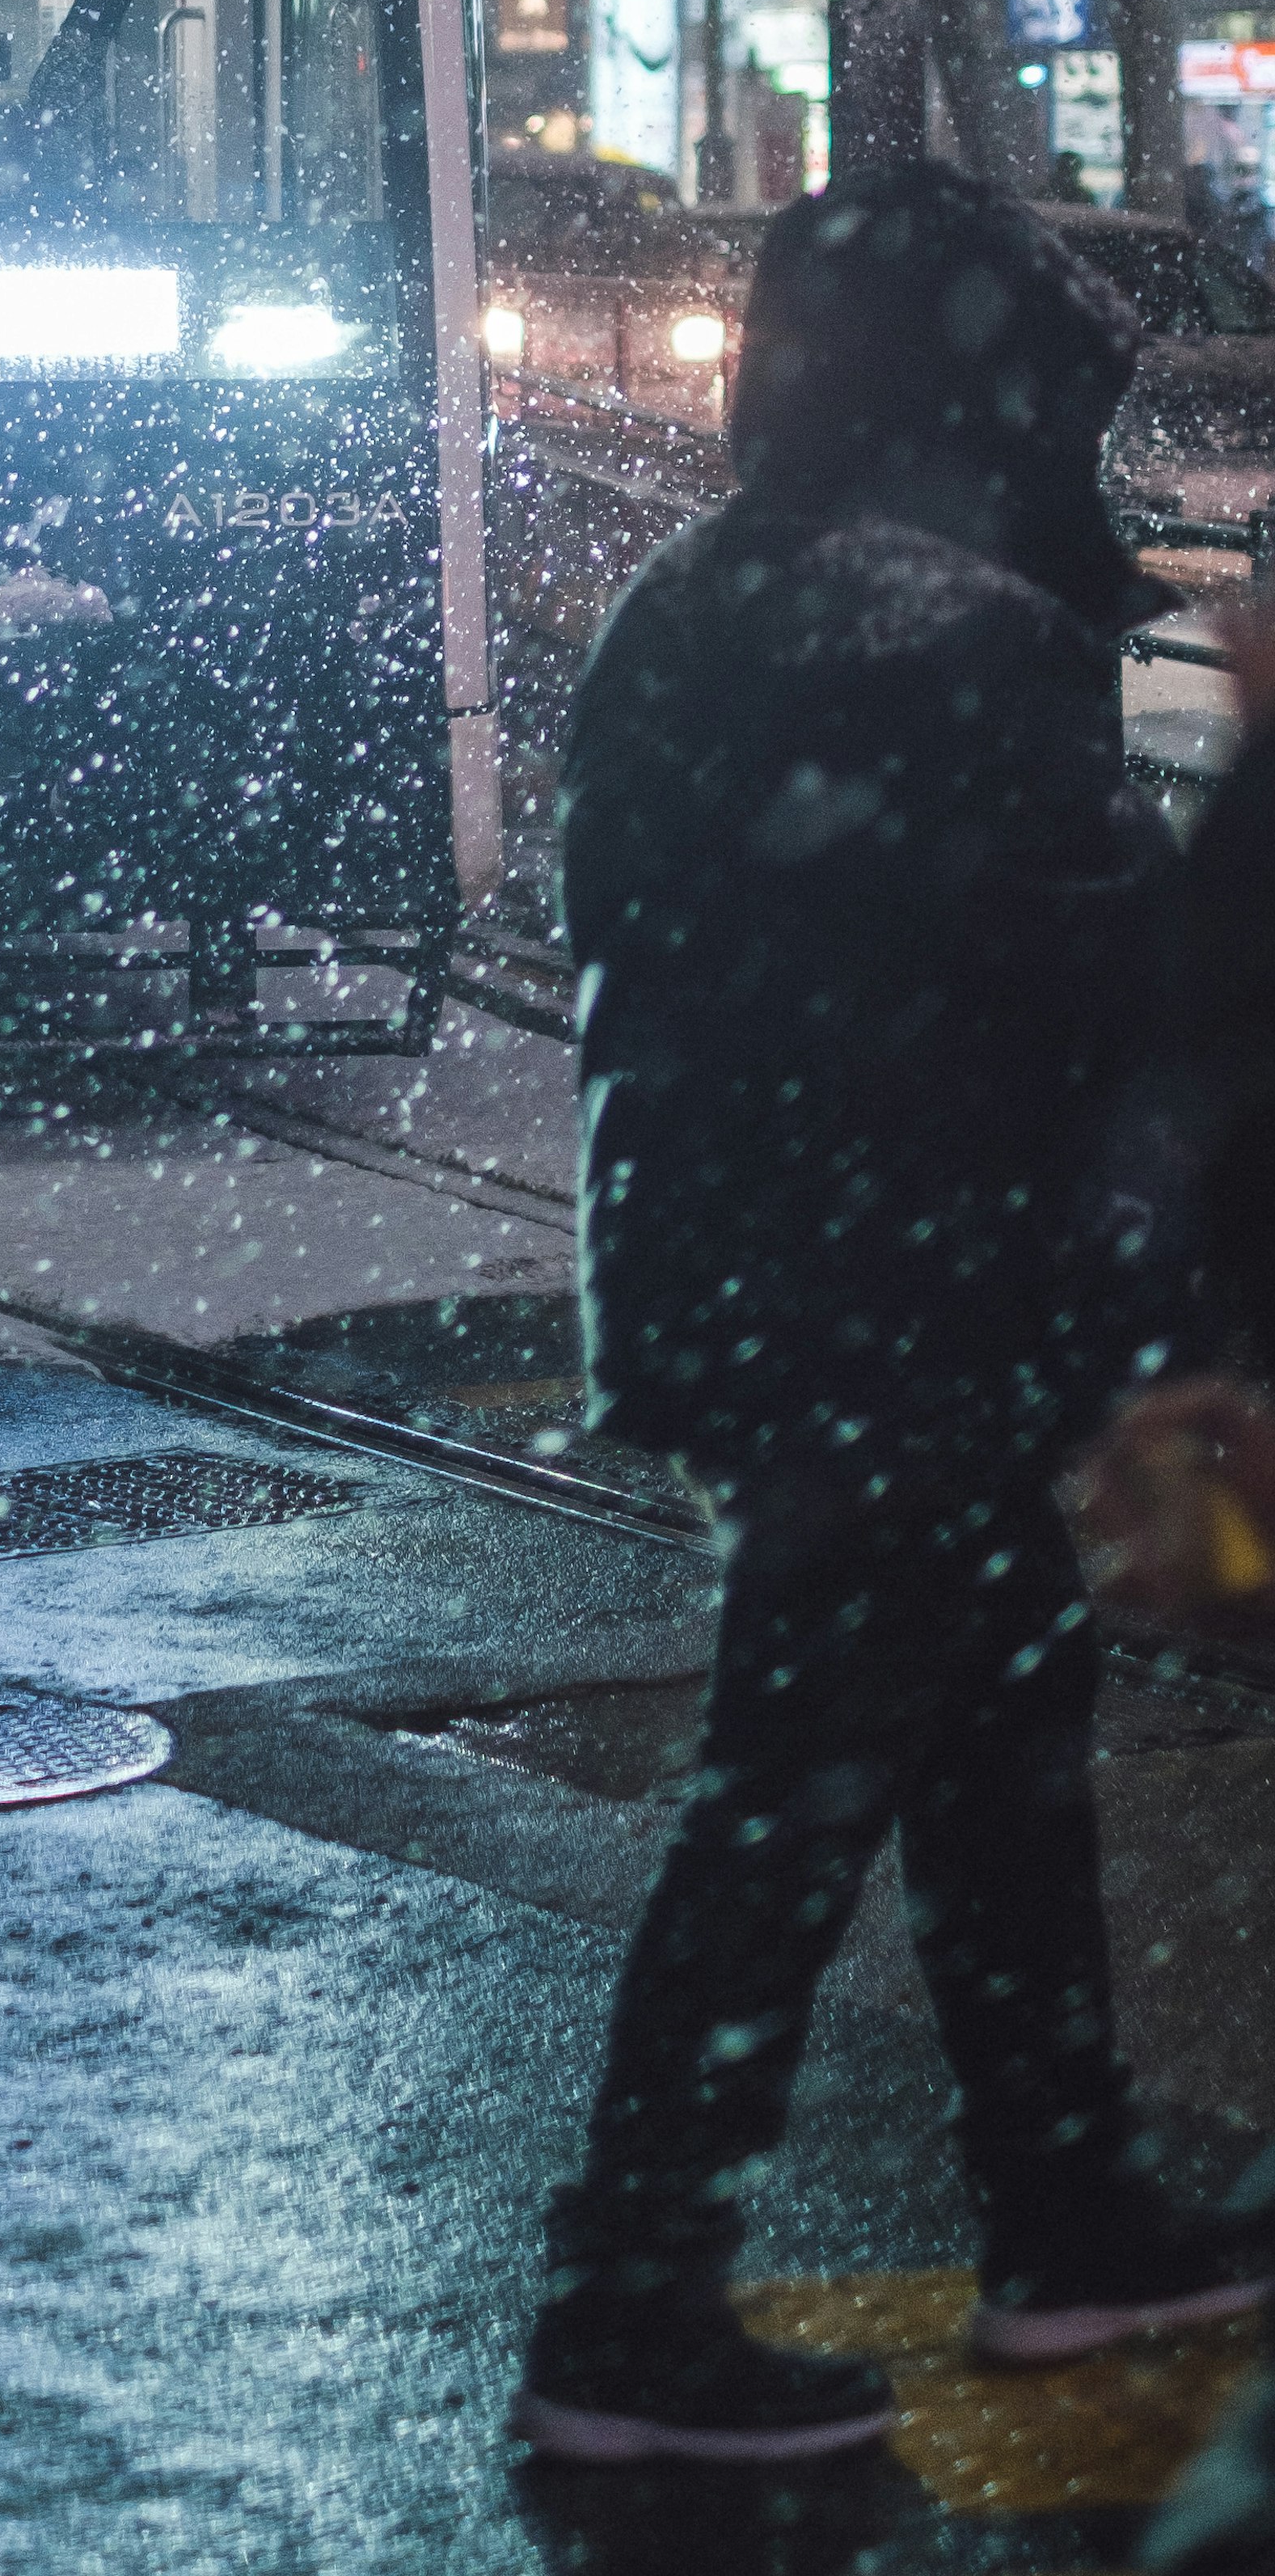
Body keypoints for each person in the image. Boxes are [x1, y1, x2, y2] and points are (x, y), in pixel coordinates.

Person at [518, 160, 1275, 2469]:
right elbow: (1124, 972)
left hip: (789, 1273)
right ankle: (629, 2307)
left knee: (994, 1736)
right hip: (888, 1296)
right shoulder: (932, 628)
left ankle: (1067, 2207)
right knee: (804, 1788)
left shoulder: (725, 586)